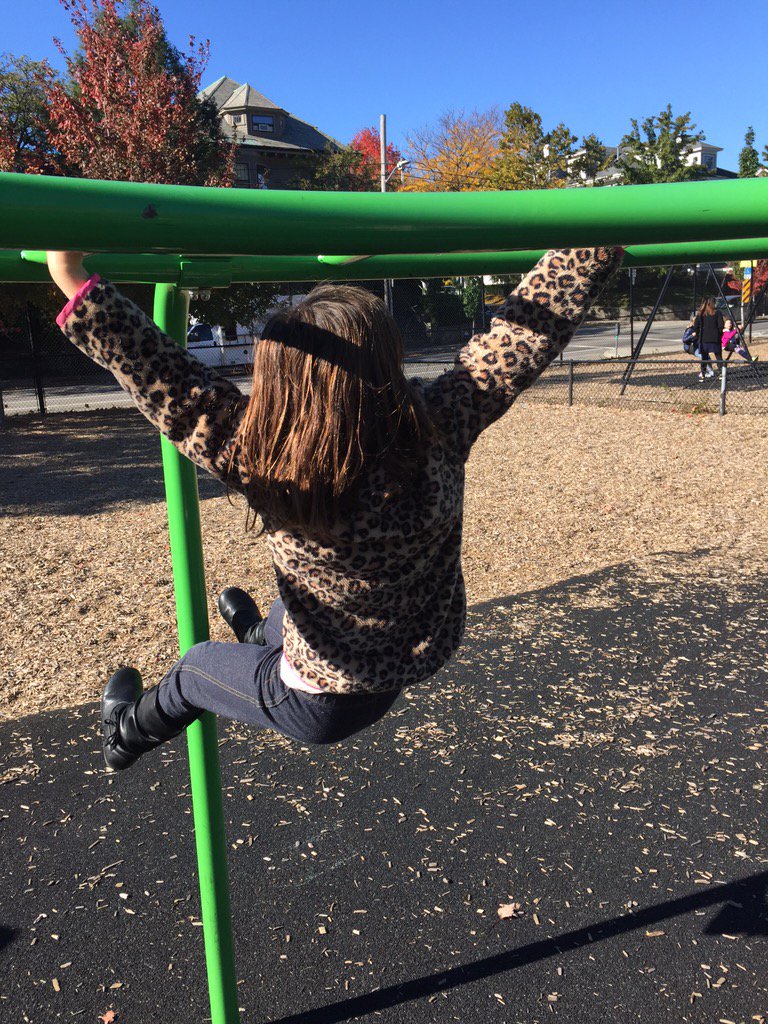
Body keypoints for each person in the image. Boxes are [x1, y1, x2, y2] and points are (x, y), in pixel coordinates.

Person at [47, 245, 623, 771]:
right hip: (412, 654)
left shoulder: (264, 455)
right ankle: (258, 638)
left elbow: (171, 386)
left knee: (194, 666)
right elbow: (520, 344)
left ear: (279, 381)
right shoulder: (440, 424)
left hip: (318, 699)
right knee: (287, 610)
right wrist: (589, 248)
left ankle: (125, 735)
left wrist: (76, 284)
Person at [692, 297, 724, 381]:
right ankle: (721, 374)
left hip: (704, 338)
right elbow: (721, 325)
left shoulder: (701, 313)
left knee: (704, 358)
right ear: (712, 303)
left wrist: (698, 334)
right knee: (718, 356)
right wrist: (719, 333)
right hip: (715, 338)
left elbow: (696, 326)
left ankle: (703, 375)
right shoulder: (717, 313)